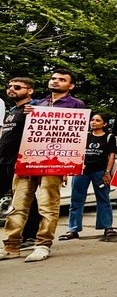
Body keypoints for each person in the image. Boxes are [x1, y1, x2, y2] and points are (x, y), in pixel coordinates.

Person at [1, 68, 86, 262]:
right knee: (18, 204)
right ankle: (11, 245)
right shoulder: (39, 103)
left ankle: (42, 244)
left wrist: (67, 166)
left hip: (53, 163)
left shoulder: (76, 105)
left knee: (48, 205)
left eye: (61, 80)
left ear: (70, 86)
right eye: (53, 78)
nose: (55, 81)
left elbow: (76, 137)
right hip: (28, 161)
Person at [59, 113, 117, 240]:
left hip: (100, 172)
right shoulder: (84, 136)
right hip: (81, 172)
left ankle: (107, 227)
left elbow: (111, 156)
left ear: (105, 124)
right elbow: (75, 153)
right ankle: (73, 229)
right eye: (92, 120)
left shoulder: (109, 137)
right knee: (76, 200)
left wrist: (107, 173)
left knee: (103, 199)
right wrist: (67, 170)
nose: (93, 122)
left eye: (97, 120)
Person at [0, 77, 40, 248]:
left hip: (20, 161)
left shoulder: (33, 109)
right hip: (4, 160)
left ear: (29, 90)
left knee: (27, 198)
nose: (11, 89)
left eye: (17, 87)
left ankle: (30, 236)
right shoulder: (12, 111)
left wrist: (37, 111)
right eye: (9, 86)